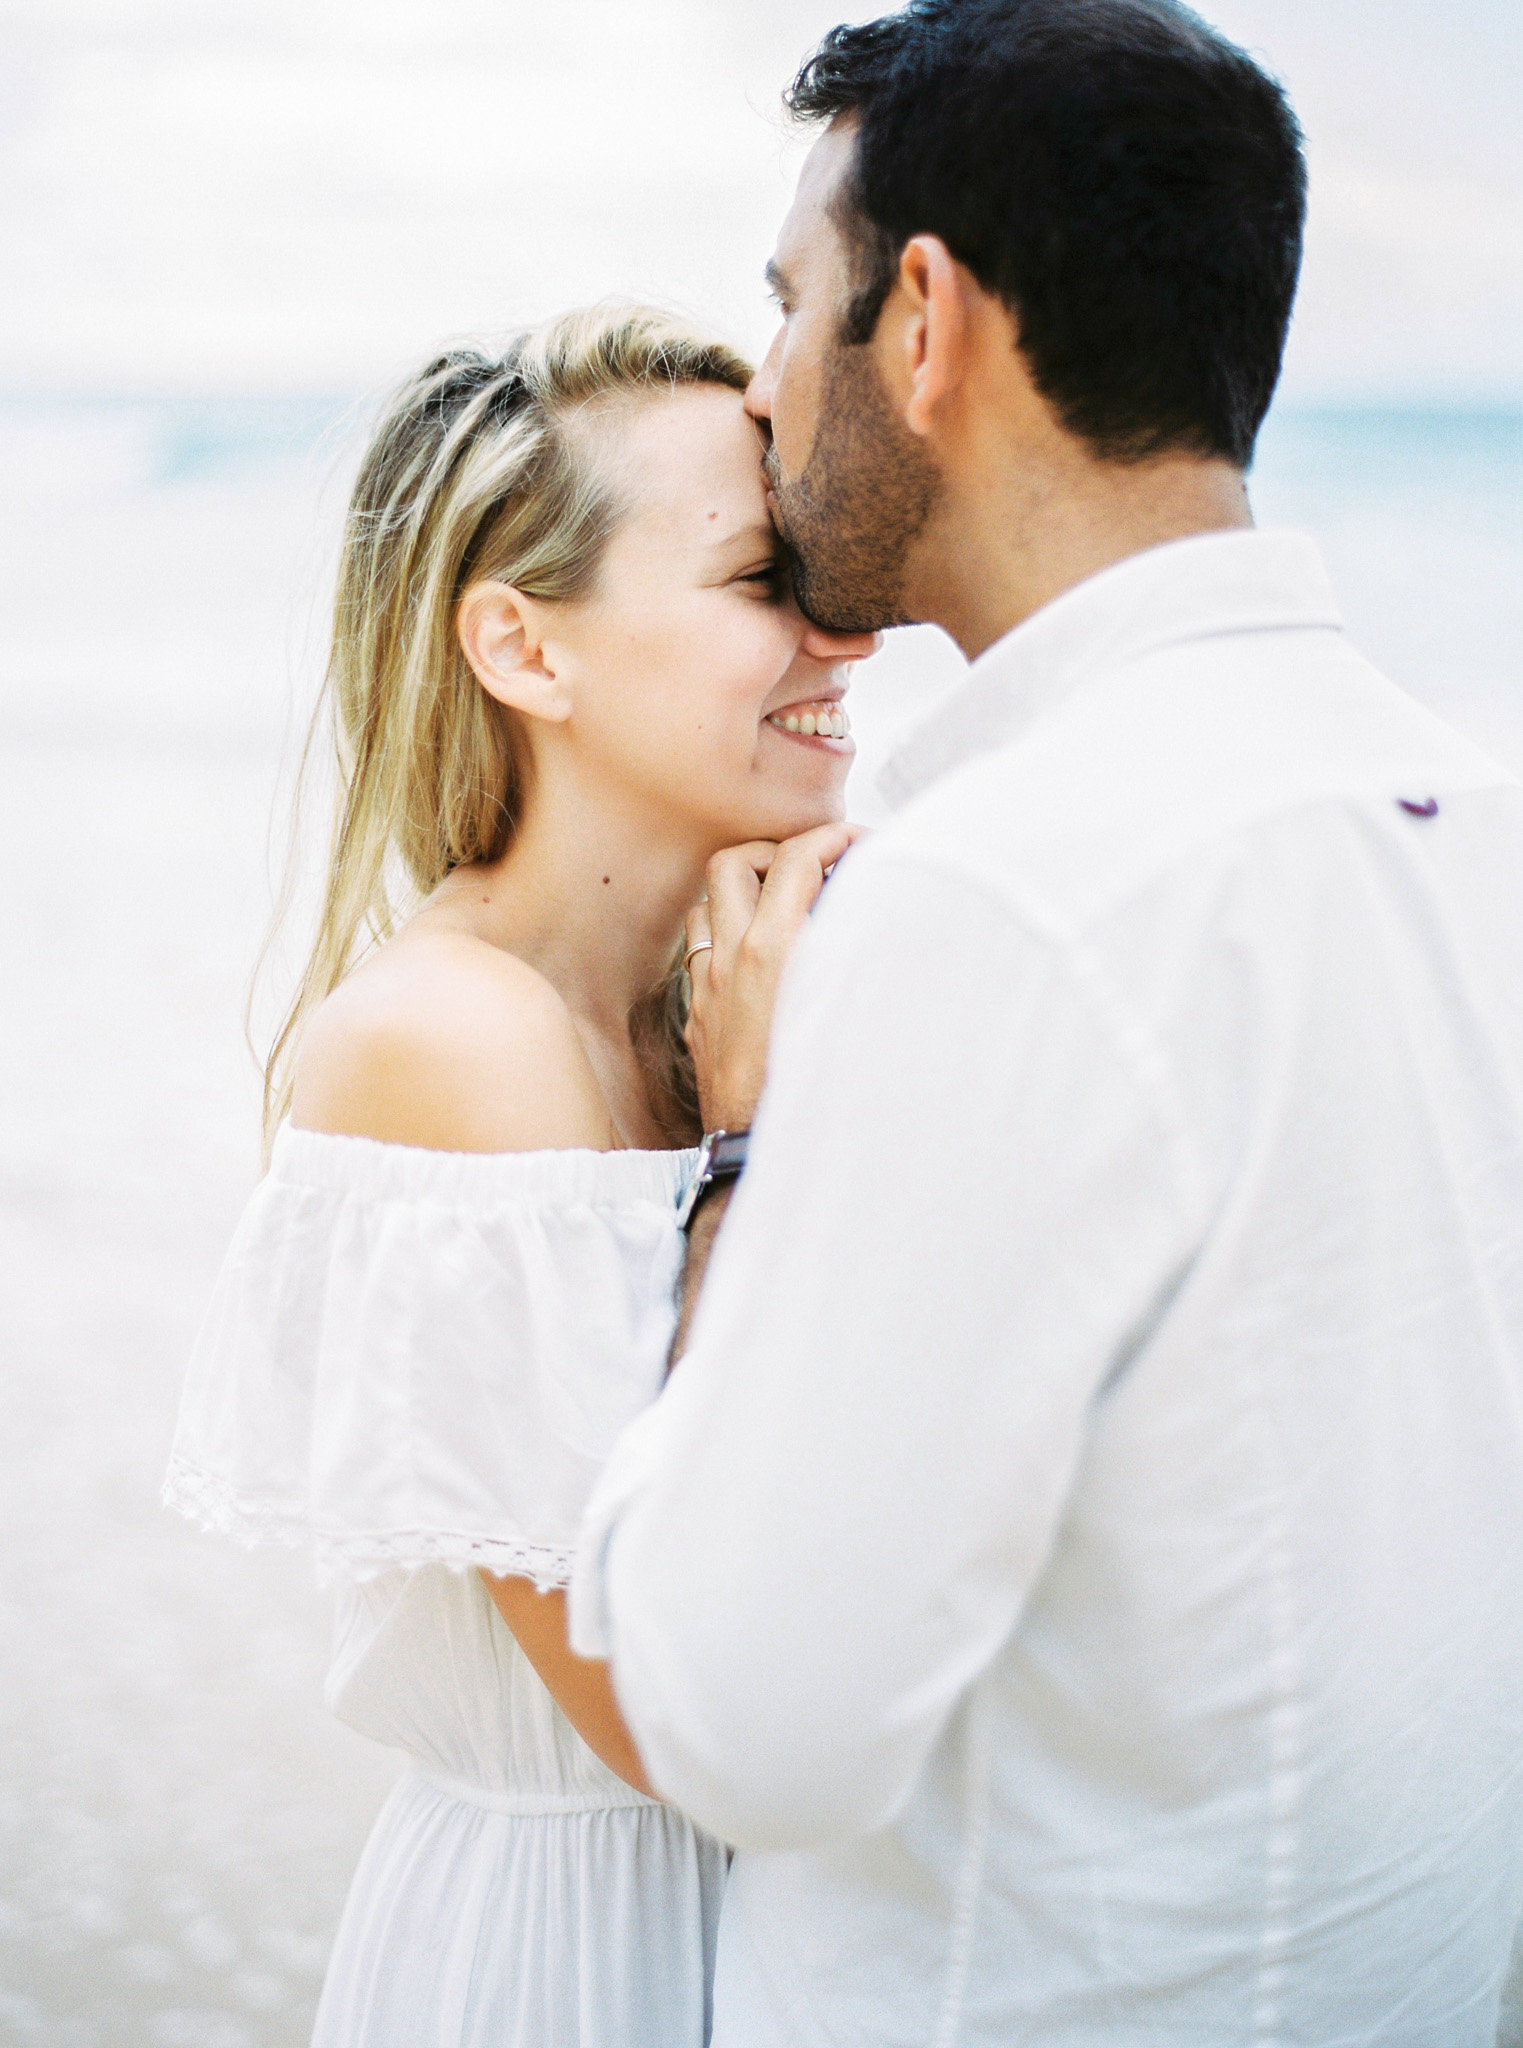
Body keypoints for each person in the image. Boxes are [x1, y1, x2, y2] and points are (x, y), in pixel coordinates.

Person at [569, 3, 1523, 2042]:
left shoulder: (1000, 893)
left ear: (922, 319)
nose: (764, 383)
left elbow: (752, 1725)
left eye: (788, 303)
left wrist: (742, 1164)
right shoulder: (1470, 819)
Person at [163, 304, 874, 2047]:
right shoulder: (451, 1048)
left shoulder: (730, 995)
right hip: (577, 1957)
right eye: (764, 574)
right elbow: (671, 1708)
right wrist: (753, 1152)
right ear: (524, 649)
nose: (845, 628)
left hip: (791, 1942)